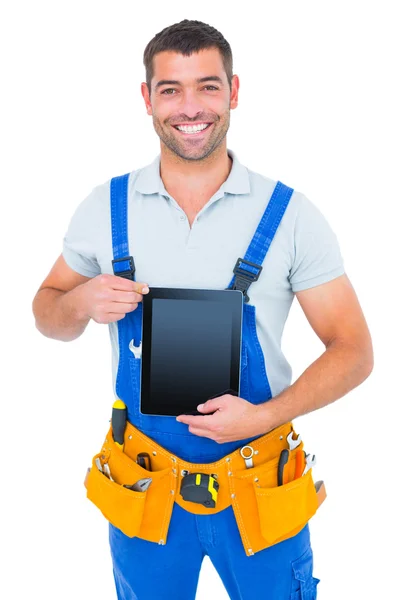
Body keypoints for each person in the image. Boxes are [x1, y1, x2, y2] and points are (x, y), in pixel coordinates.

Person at [32, 19, 373, 600]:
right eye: (171, 89)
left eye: (208, 86)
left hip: (259, 485)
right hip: (145, 488)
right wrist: (83, 301)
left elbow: (355, 350)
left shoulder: (289, 215)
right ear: (147, 98)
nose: (190, 107)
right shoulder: (104, 207)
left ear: (234, 92)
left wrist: (265, 416)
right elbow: (46, 312)